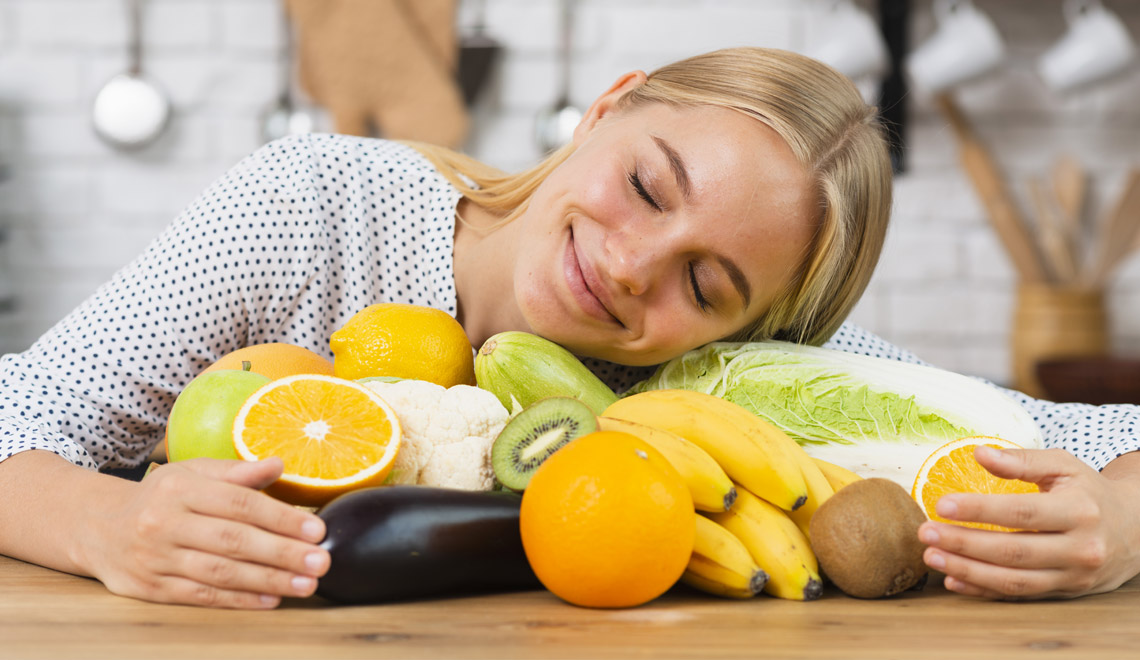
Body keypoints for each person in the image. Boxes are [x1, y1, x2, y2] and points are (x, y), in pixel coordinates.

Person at [0, 47, 1137, 609]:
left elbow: (1096, 442)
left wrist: (1121, 530)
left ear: (762, 329)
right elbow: (18, 411)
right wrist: (107, 526)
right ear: (610, 106)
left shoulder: (733, 387)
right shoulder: (316, 209)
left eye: (709, 284)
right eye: (649, 186)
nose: (632, 268)